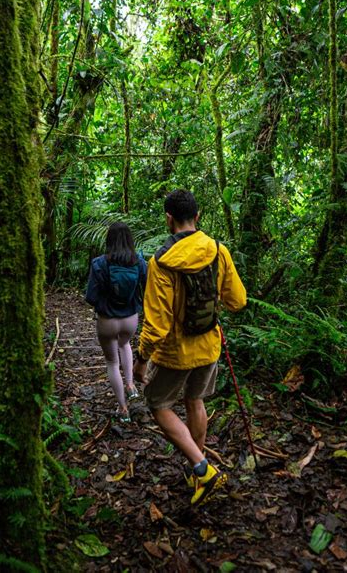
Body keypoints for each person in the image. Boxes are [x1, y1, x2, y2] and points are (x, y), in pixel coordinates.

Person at [133, 189, 246, 506]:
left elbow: (157, 324)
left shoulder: (161, 262)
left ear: (169, 219)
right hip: (209, 346)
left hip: (175, 353)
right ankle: (196, 470)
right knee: (195, 400)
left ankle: (202, 470)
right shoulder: (218, 251)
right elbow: (238, 300)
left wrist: (141, 360)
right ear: (197, 217)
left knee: (158, 404)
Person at [86, 222, 147, 423]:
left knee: (112, 362)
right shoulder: (138, 261)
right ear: (130, 239)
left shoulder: (99, 263)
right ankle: (130, 385)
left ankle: (122, 409)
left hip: (107, 320)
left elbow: (91, 297)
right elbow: (147, 285)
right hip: (130, 318)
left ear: (109, 240)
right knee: (125, 344)